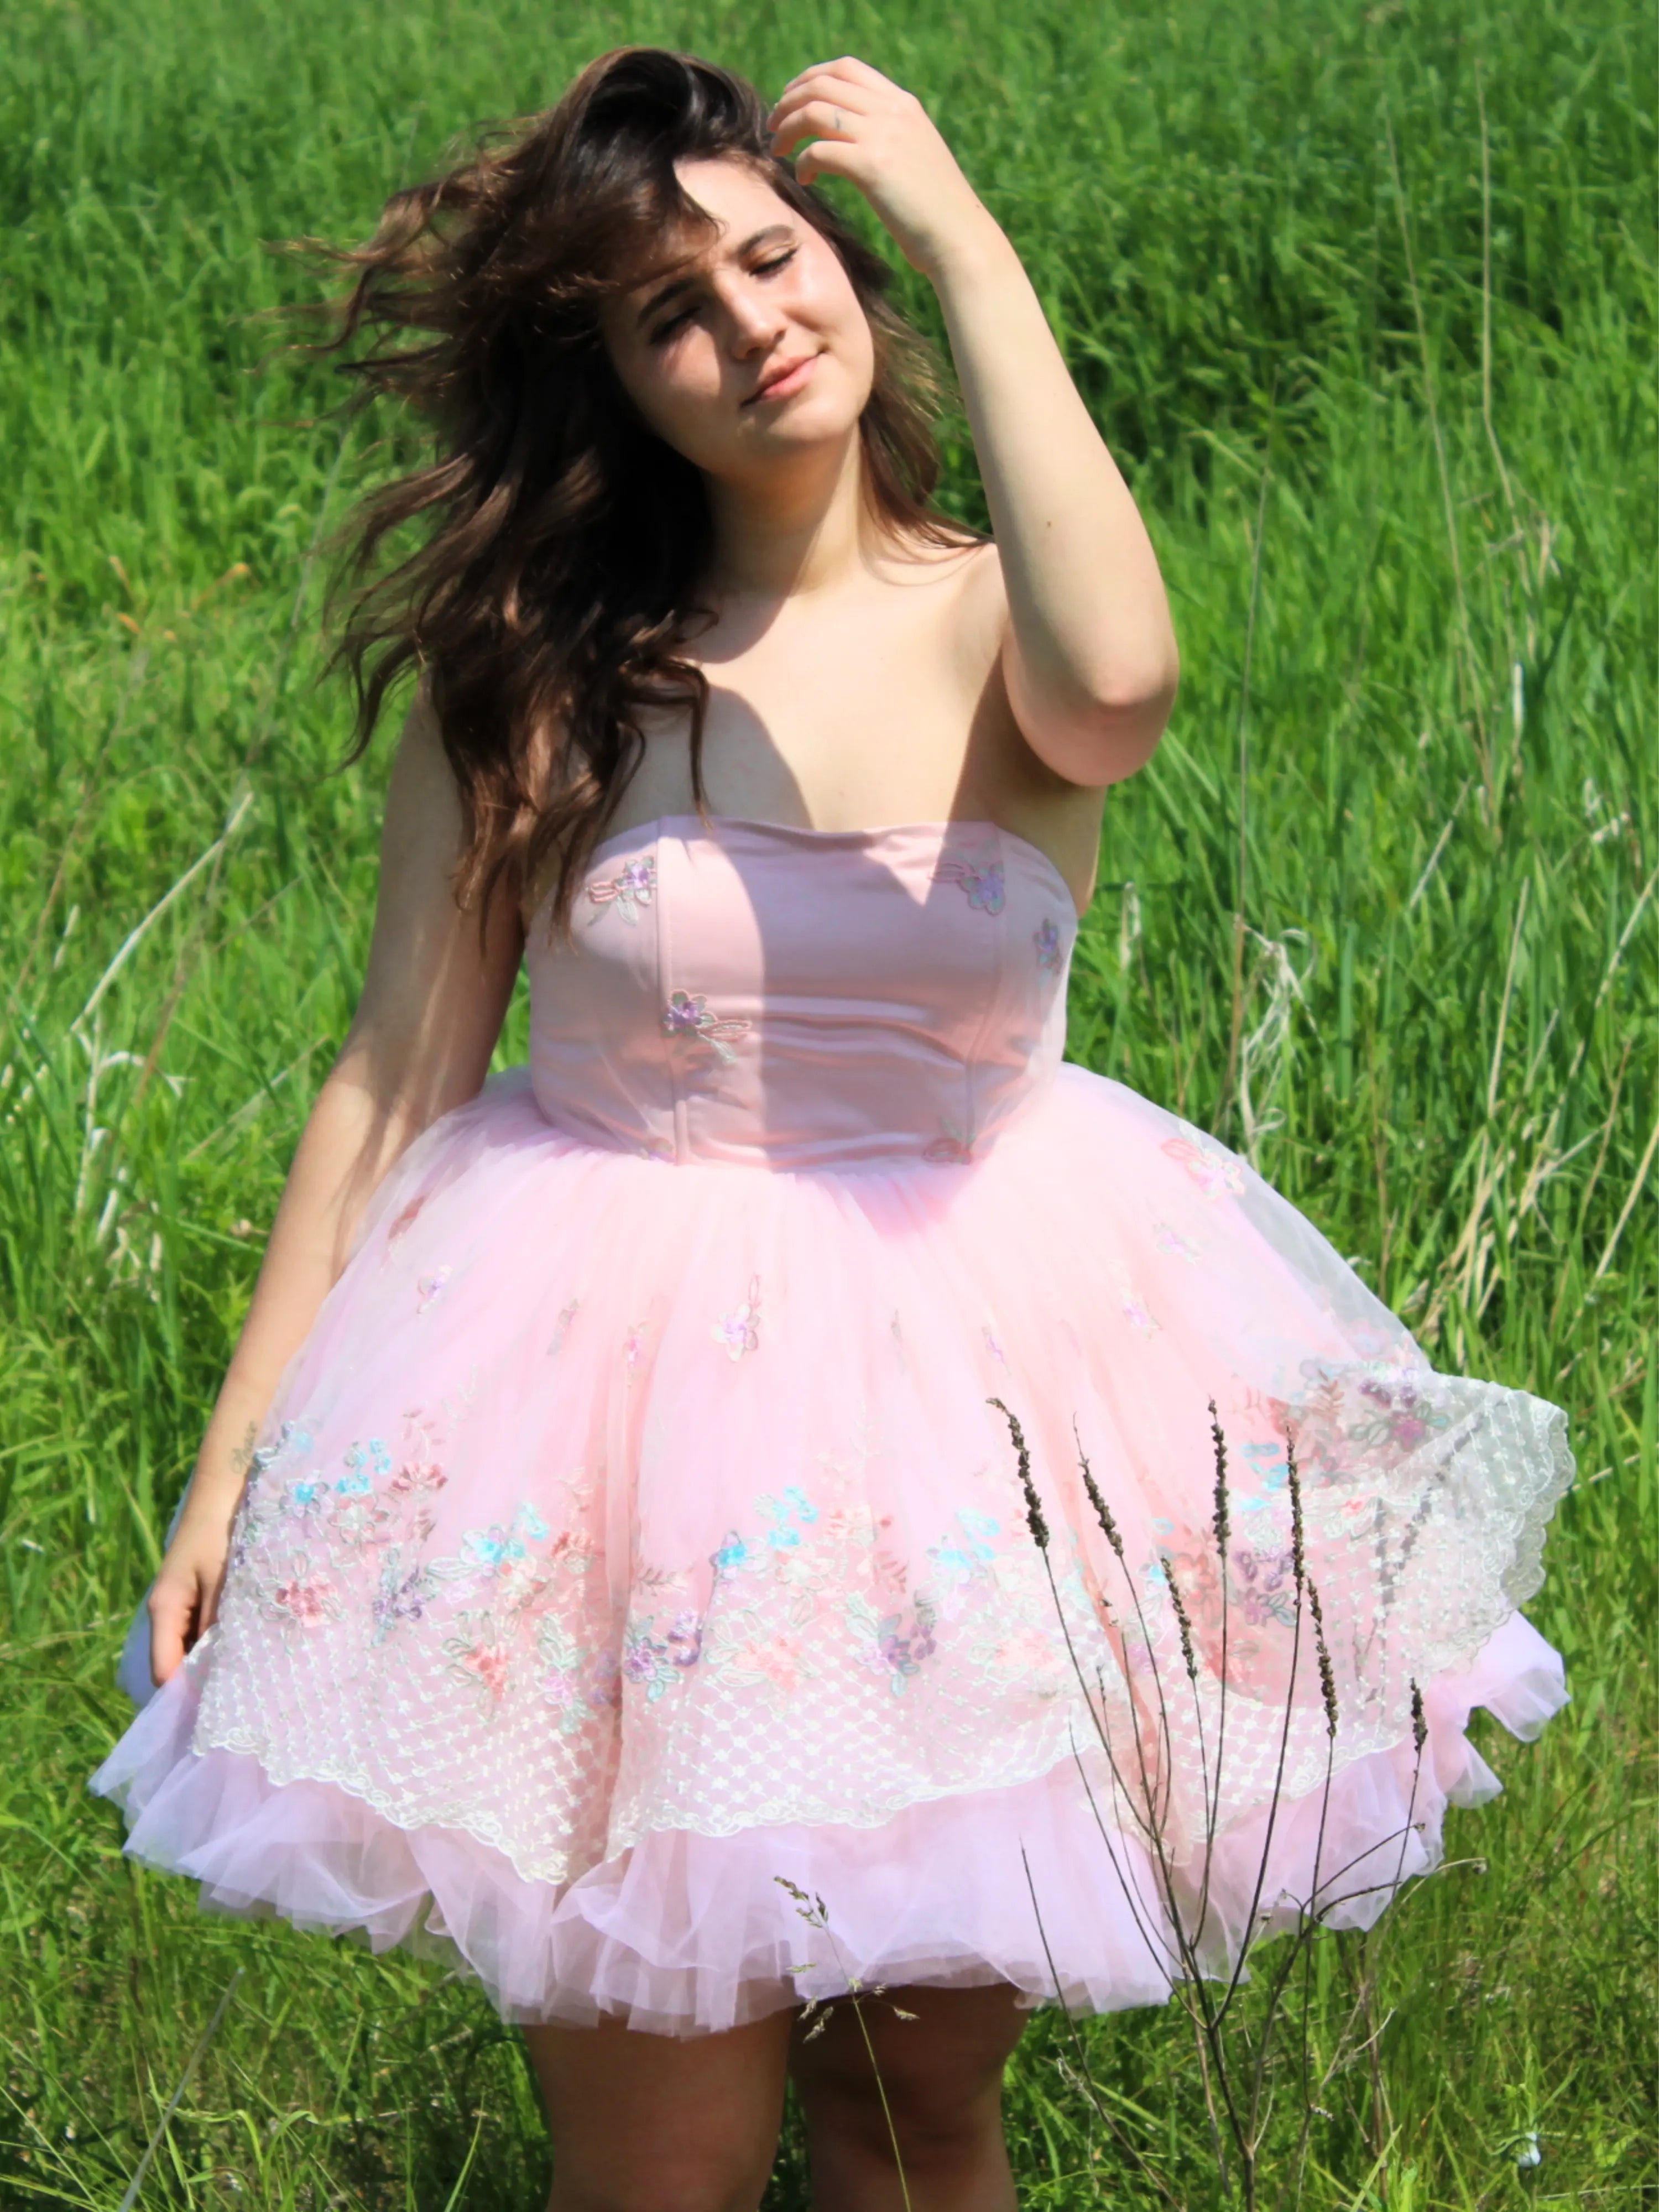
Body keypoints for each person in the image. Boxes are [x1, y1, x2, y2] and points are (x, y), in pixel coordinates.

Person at [92, 47, 1572, 2212]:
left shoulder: (1007, 622)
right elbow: (392, 1072)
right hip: (603, 1404)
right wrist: (236, 1455)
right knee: (663, 2159)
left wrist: (966, 230)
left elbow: (1127, 682)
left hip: (987, 1405)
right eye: (668, 312)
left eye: (774, 258)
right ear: (614, 379)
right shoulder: (540, 664)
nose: (747, 324)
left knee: (916, 2115)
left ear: (854, 272)